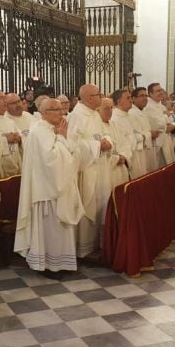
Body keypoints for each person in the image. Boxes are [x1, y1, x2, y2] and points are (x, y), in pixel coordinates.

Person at [14, 98, 84, 280]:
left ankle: (62, 262)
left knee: (60, 229)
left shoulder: (52, 129)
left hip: (59, 188)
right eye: (57, 110)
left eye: (62, 109)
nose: (62, 113)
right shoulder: (39, 131)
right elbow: (51, 161)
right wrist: (62, 137)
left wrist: (62, 138)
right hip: (47, 191)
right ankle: (49, 265)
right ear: (44, 113)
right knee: (51, 229)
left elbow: (72, 153)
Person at [67, 83, 109, 257]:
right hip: (87, 170)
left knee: (101, 204)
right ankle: (84, 248)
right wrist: (98, 145)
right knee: (88, 204)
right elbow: (73, 145)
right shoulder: (77, 116)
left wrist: (106, 141)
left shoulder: (94, 114)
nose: (101, 96)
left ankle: (97, 243)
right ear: (90, 98)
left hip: (100, 166)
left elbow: (102, 133)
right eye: (99, 94)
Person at [111, 88, 146, 179]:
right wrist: (138, 137)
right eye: (128, 98)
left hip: (137, 157)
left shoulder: (130, 116)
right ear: (119, 101)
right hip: (126, 163)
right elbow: (121, 143)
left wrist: (138, 137)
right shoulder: (114, 119)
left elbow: (137, 134)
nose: (131, 100)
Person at [103, 93, 130, 187]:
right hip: (108, 172)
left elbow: (125, 143)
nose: (110, 111)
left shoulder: (115, 125)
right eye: (106, 108)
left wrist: (124, 156)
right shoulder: (96, 127)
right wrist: (115, 159)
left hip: (121, 168)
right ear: (98, 109)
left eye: (111, 108)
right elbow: (99, 152)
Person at [145, 82, 175, 167]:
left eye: (161, 90)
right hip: (158, 145)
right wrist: (166, 116)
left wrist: (171, 125)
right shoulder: (148, 107)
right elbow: (159, 126)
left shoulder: (161, 106)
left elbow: (171, 122)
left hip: (166, 142)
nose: (161, 92)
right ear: (150, 94)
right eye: (158, 91)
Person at [129, 87, 158, 172]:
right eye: (142, 96)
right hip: (139, 154)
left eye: (146, 95)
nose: (145, 98)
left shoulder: (142, 111)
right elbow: (135, 135)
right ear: (133, 98)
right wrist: (150, 134)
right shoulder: (132, 113)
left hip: (147, 151)